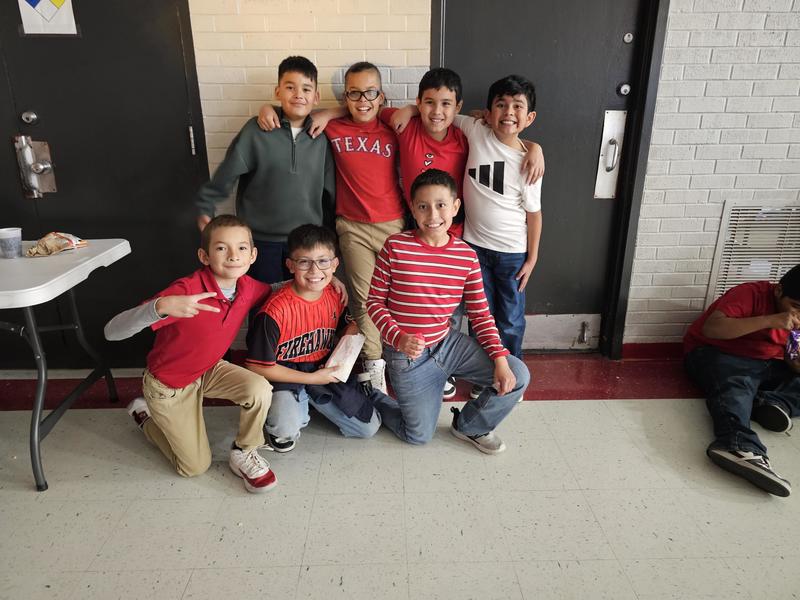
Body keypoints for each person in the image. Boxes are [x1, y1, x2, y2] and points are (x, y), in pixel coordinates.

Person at [258, 61, 404, 394]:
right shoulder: (333, 127)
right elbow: (294, 112)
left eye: (370, 93)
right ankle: (374, 362)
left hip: (393, 223)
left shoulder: (393, 125)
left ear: (382, 95)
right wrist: (266, 107)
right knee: (364, 299)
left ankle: (405, 357)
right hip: (351, 226)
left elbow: (422, 115)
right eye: (353, 93)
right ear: (345, 96)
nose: (363, 100)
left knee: (400, 293)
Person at [104, 215, 277, 493]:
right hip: (170, 385)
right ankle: (145, 416)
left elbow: (277, 290)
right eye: (221, 248)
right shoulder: (185, 291)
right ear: (204, 256)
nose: (233, 255)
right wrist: (161, 306)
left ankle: (245, 451)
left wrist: (327, 283)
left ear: (253, 254)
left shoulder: (248, 286)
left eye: (242, 248)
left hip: (209, 369)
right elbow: (111, 332)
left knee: (259, 389)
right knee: (194, 468)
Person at [366, 169, 530, 453]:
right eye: (423, 206)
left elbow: (480, 315)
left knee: (517, 374)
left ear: (455, 206)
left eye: (441, 205)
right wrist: (399, 338)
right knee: (416, 435)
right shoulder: (395, 247)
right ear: (413, 210)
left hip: (448, 345)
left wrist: (500, 358)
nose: (433, 215)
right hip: (408, 355)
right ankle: (370, 396)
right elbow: (374, 302)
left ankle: (470, 426)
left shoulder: (465, 256)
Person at [195, 56, 335, 285]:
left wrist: (330, 239)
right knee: (262, 306)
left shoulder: (321, 138)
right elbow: (227, 174)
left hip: (306, 244)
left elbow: (330, 193)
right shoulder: (257, 130)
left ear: (316, 97)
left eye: (306, 89)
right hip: (260, 242)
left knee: (301, 308)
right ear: (278, 92)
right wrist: (205, 207)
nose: (299, 94)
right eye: (290, 87)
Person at [245, 224, 383, 452]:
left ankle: (309, 400)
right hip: (285, 373)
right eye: (304, 262)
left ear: (335, 264)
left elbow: (348, 329)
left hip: (320, 368)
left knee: (368, 428)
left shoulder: (335, 295)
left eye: (323, 261)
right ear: (290, 265)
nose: (314, 270)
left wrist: (350, 335)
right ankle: (293, 407)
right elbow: (256, 366)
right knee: (284, 432)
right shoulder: (274, 311)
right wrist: (313, 380)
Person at [684, 264, 800, 497]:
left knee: (754, 380)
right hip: (715, 352)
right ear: (778, 291)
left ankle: (770, 403)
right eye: (796, 306)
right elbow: (712, 328)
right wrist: (771, 320)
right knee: (736, 386)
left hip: (763, 362)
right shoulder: (750, 293)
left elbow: (792, 361)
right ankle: (738, 445)